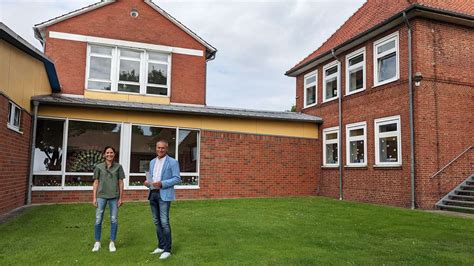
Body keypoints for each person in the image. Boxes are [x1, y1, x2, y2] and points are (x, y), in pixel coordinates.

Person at [144, 140, 181, 260]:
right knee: (156, 222)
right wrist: (147, 183)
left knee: (164, 222)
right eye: (158, 148)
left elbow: (177, 179)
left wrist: (162, 183)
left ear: (167, 149)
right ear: (156, 148)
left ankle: (167, 249)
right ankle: (160, 246)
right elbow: (151, 178)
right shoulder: (152, 162)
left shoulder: (173, 162)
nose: (160, 150)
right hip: (152, 194)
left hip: (164, 194)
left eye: (163, 148)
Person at [91, 146, 125, 252]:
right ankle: (97, 242)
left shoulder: (118, 167)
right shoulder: (98, 167)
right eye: (107, 152)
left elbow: (121, 182)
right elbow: (96, 182)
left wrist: (121, 198)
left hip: (114, 197)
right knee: (98, 219)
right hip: (101, 196)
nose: (109, 154)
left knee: (114, 219)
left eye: (111, 152)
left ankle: (112, 242)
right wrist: (94, 198)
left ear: (114, 154)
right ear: (104, 154)